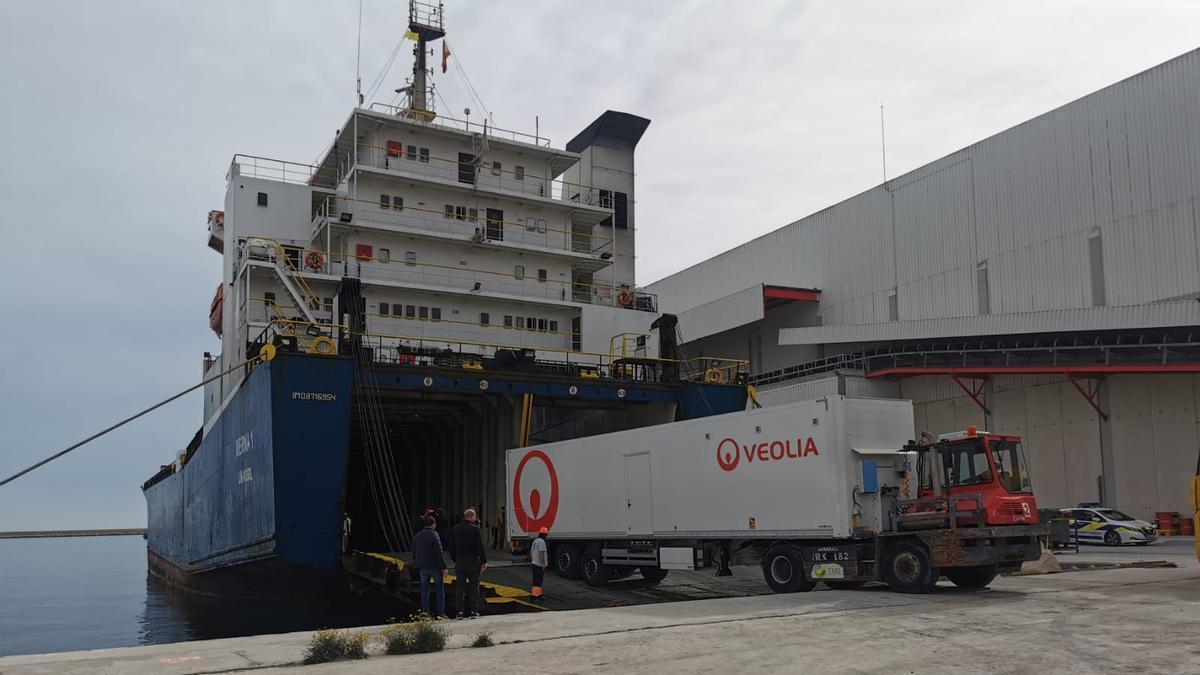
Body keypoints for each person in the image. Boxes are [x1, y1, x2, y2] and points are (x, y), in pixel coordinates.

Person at [447, 508, 488, 619]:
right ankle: (473, 611)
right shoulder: (475, 529)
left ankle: (459, 612)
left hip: (460, 563)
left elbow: (451, 548)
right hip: (473, 563)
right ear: (471, 516)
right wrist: (484, 561)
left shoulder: (455, 529)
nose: (475, 519)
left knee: (460, 589)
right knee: (473, 588)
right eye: (475, 517)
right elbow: (480, 547)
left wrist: (456, 559)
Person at [412, 516, 448, 618]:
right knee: (439, 590)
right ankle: (440, 613)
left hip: (422, 567)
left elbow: (414, 551)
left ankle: (425, 613)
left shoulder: (417, 535)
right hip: (434, 566)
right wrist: (444, 567)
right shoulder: (434, 535)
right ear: (433, 524)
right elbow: (439, 552)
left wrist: (417, 562)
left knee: (424, 591)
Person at [530, 526, 549, 602]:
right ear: (545, 535)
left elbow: (531, 552)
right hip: (538, 564)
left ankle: (538, 595)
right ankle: (535, 597)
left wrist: (533, 560)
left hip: (535, 563)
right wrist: (543, 564)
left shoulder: (535, 541)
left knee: (538, 580)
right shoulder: (542, 542)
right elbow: (541, 553)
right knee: (538, 581)